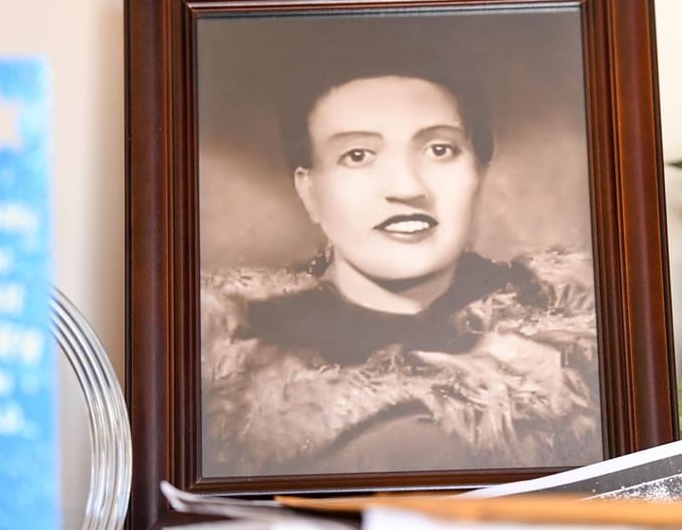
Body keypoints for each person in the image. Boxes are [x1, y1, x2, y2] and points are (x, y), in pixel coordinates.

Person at [200, 66, 600, 477]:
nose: (407, 188)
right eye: (358, 156)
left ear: (478, 171)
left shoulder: (583, 346)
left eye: (440, 149)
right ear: (309, 191)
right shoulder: (226, 371)